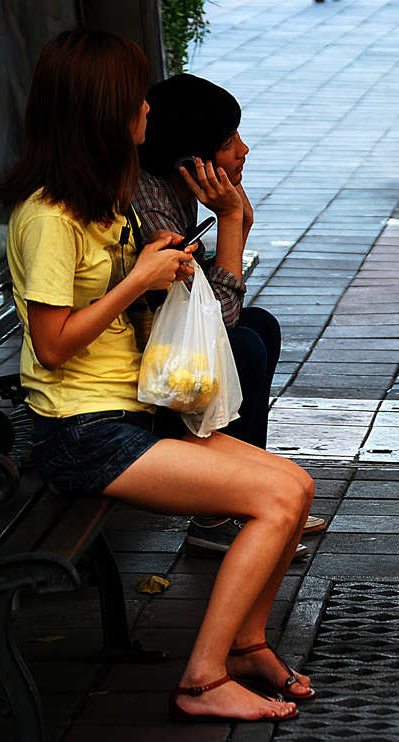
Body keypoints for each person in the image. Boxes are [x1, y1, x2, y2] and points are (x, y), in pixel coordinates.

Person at [0, 29, 315, 721]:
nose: (148, 111)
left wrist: (164, 269)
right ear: (106, 112)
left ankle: (246, 643)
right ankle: (200, 681)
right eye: (137, 99)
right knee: (274, 500)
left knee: (295, 485)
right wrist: (136, 277)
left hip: (123, 415)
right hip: (83, 431)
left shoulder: (103, 206)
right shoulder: (49, 217)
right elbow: (50, 346)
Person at [133, 73, 325, 556]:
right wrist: (233, 221)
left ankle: (247, 498)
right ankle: (217, 514)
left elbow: (217, 310)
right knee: (244, 343)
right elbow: (217, 321)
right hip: (137, 369)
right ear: (188, 161)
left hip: (158, 343)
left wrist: (233, 214)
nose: (243, 150)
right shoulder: (151, 203)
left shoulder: (171, 187)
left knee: (261, 326)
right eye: (227, 142)